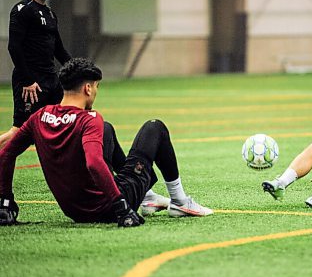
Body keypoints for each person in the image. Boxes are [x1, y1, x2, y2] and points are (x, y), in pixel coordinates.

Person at [0, 58, 213, 227]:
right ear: (88, 88)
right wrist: (121, 205)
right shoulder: (89, 119)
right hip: (111, 207)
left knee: (107, 129)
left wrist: (6, 200)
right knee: (154, 127)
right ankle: (179, 202)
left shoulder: (40, 116)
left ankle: (147, 197)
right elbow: (94, 163)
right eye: (97, 86)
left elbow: (6, 154)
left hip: (75, 211)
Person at [0, 0, 71, 149]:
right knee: (20, 134)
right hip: (31, 84)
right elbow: (14, 47)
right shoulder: (22, 10)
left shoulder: (51, 14)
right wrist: (27, 80)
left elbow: (59, 50)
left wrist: (82, 71)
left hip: (52, 82)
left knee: (59, 128)